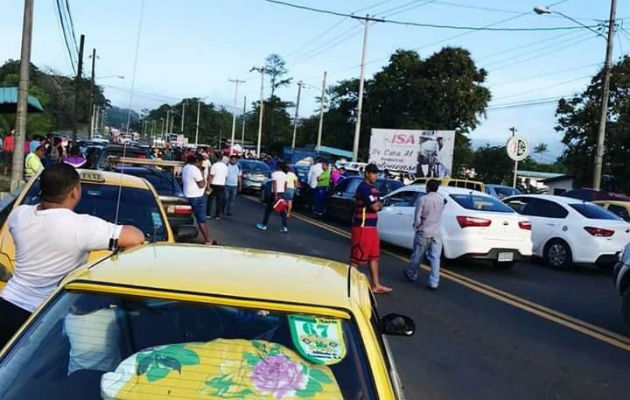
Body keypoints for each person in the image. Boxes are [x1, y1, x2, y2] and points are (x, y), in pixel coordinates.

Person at [0, 164, 145, 347]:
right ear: (75, 192)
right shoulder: (81, 227)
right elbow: (135, 237)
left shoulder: (19, 215)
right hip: (44, 317)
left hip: (7, 304)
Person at [350, 163, 392, 294]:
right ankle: (349, 284)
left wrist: (378, 204)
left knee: (374, 257)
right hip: (362, 227)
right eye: (373, 173)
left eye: (376, 173)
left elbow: (379, 204)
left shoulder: (373, 189)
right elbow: (375, 206)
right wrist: (378, 204)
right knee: (357, 257)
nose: (375, 176)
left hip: (372, 227)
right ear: (367, 173)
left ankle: (376, 285)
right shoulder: (363, 188)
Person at [404, 179, 446, 290]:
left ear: (427, 187)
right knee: (435, 258)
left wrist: (416, 227)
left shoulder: (422, 199)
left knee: (417, 255)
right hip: (436, 232)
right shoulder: (442, 200)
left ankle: (412, 273)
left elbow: (417, 217)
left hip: (424, 231)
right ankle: (434, 282)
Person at [182, 155, 213, 245]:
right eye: (201, 162)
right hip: (197, 197)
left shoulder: (186, 167)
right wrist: (202, 173)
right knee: (201, 220)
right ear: (197, 161)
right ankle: (207, 240)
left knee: (188, 218)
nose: (202, 163)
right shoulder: (195, 170)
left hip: (187, 195)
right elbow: (201, 184)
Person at [257, 163, 288, 232]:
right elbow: (285, 184)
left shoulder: (274, 174)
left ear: (277, 167)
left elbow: (274, 184)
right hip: (281, 193)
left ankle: (264, 225)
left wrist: (275, 194)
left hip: (274, 193)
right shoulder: (285, 175)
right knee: (282, 211)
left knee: (268, 210)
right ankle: (284, 227)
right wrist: (283, 193)